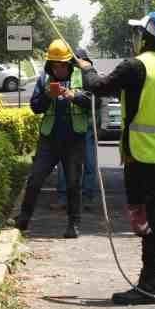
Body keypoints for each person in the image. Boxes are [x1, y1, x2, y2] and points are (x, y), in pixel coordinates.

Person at [77, 9, 155, 304]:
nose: (137, 37)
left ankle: (148, 286)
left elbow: (96, 87)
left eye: (140, 32)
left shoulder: (136, 66)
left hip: (142, 156)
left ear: (149, 34)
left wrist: (86, 66)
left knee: (148, 222)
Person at [13, 39, 93, 239]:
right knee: (35, 179)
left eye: (62, 65)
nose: (58, 69)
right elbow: (35, 107)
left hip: (74, 139)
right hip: (49, 139)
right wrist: (48, 95)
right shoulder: (44, 79)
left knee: (74, 184)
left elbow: (93, 102)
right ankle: (23, 218)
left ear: (69, 64)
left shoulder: (81, 77)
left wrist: (72, 95)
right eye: (54, 65)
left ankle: (73, 224)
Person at [55, 48, 99, 211]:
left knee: (89, 164)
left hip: (86, 128)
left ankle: (87, 198)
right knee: (64, 164)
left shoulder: (91, 77)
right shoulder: (64, 76)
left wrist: (75, 97)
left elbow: (97, 102)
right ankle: (63, 197)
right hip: (67, 128)